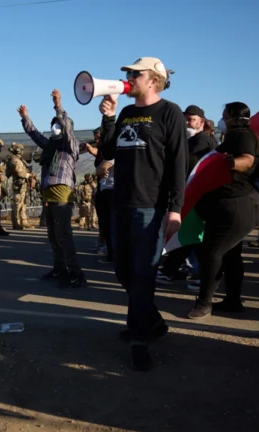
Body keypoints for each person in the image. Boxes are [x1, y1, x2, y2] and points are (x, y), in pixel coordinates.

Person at [97, 57, 186, 371]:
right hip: (120, 203)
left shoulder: (169, 112)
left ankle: (138, 338)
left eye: (136, 73)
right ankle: (154, 322)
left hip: (150, 206)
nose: (129, 78)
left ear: (154, 80)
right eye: (128, 73)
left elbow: (178, 164)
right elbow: (108, 152)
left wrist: (175, 209)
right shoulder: (126, 112)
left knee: (142, 273)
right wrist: (108, 118)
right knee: (123, 271)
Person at [186, 102, 259, 319]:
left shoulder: (242, 135)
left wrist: (232, 162)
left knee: (211, 252)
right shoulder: (234, 136)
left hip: (236, 204)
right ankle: (233, 301)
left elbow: (247, 160)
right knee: (230, 255)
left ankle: (203, 303)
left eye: (224, 116)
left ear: (236, 118)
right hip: (234, 203)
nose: (221, 119)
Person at [19, 89, 85, 287]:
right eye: (53, 125)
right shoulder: (50, 146)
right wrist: (25, 117)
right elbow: (34, 133)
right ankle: (59, 268)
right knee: (53, 235)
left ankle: (76, 273)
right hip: (48, 193)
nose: (55, 127)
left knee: (63, 234)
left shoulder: (70, 144)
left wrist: (58, 106)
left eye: (58, 125)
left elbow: (65, 125)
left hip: (62, 192)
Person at [6, 143, 33, 230]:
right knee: (17, 204)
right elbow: (18, 172)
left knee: (23, 204)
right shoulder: (15, 160)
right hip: (18, 185)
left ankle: (23, 221)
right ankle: (16, 222)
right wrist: (27, 175)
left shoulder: (19, 159)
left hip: (22, 184)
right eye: (21, 149)